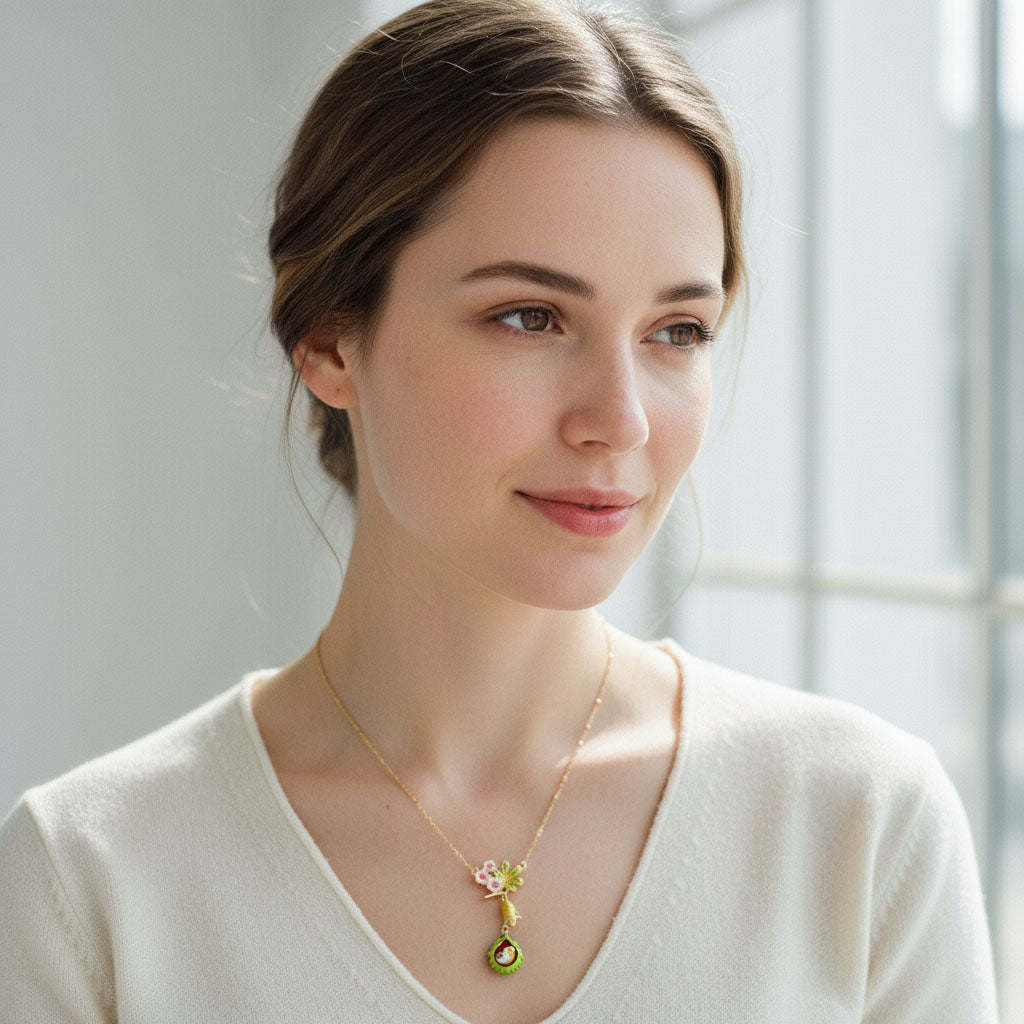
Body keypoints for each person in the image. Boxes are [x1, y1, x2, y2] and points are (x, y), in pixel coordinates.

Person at [0, 1, 999, 1021]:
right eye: (530, 316)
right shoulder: (93, 877)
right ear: (330, 339)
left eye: (678, 330)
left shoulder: (857, 823)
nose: (620, 420)